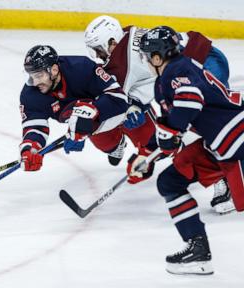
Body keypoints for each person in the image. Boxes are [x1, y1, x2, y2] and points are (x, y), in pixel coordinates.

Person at [84, 15, 235, 214]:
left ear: (111, 42)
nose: (98, 56)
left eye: (99, 49)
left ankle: (226, 181)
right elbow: (145, 79)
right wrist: (136, 106)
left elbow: (119, 98)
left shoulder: (121, 62)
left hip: (204, 63)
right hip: (206, 56)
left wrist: (84, 127)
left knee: (204, 124)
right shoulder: (127, 34)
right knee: (190, 122)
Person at [137, 26, 243, 275]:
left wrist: (172, 132)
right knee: (170, 182)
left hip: (237, 140)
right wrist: (145, 155)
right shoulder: (163, 82)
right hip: (220, 145)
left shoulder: (178, 69)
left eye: (145, 56)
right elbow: (168, 126)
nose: (144, 61)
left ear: (156, 57)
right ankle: (198, 251)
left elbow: (190, 101)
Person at [19, 45, 129, 172]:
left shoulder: (81, 67)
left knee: (143, 134)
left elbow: (118, 98)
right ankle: (116, 145)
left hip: (107, 108)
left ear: (54, 70)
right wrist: (30, 148)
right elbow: (35, 127)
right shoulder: (30, 94)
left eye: (38, 76)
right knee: (108, 145)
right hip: (85, 121)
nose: (35, 82)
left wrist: (89, 115)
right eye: (31, 76)